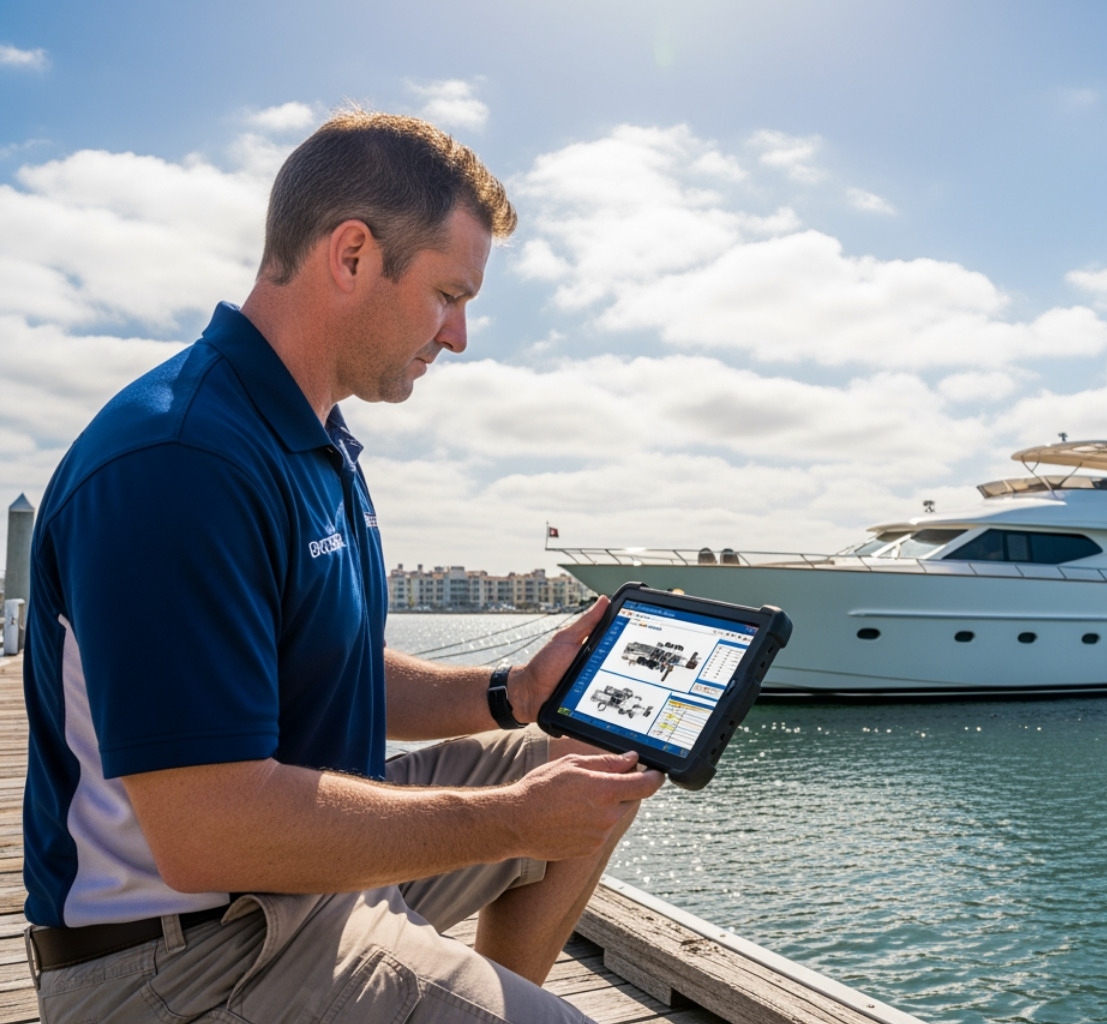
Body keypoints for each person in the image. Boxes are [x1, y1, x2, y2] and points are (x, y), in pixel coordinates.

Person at [21, 111, 664, 1024]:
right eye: (449, 294)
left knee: (583, 758)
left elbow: (333, 671)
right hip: (179, 958)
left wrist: (512, 690)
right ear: (353, 254)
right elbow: (210, 829)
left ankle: (508, 1000)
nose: (460, 336)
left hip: (295, 881)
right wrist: (518, 817)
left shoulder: (309, 440)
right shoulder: (179, 462)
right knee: (543, 820)